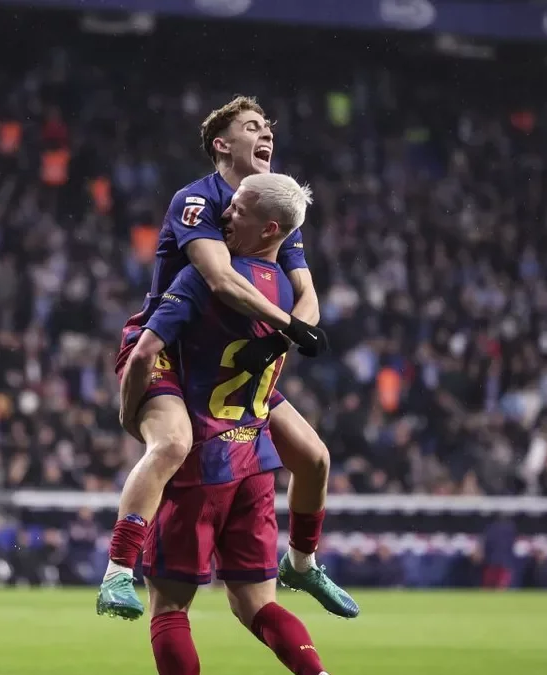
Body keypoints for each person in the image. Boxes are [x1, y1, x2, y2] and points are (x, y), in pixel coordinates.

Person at [101, 96, 357, 621]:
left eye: (269, 127)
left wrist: (290, 334)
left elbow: (305, 291)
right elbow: (219, 279)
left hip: (232, 357)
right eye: (252, 126)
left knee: (314, 457)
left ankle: (302, 564)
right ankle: (117, 574)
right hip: (173, 347)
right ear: (223, 144)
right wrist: (290, 328)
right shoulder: (197, 200)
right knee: (172, 442)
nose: (266, 134)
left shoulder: (269, 201)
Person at [115, 173, 332, 675]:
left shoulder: (209, 277)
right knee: (258, 605)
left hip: (201, 462)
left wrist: (130, 411)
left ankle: (116, 566)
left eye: (238, 209)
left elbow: (147, 350)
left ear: (268, 227)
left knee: (169, 609)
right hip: (256, 462)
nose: (225, 215)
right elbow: (302, 326)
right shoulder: (289, 293)